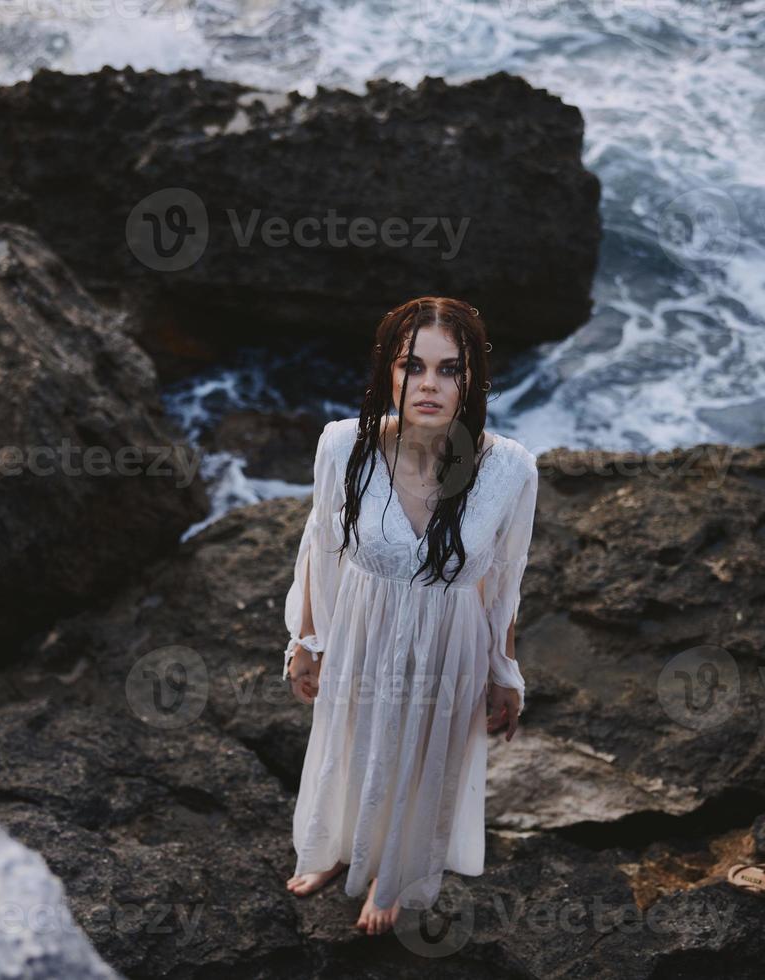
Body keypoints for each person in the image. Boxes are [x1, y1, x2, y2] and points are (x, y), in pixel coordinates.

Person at [281, 296, 539, 935]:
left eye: (449, 369)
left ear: (472, 377)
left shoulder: (510, 469)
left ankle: (394, 877)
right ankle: (336, 850)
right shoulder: (344, 446)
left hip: (451, 642)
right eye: (412, 366)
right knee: (352, 744)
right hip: (364, 633)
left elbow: (503, 579)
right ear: (388, 373)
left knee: (425, 761)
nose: (429, 384)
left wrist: (503, 672)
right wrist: (306, 641)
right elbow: (321, 546)